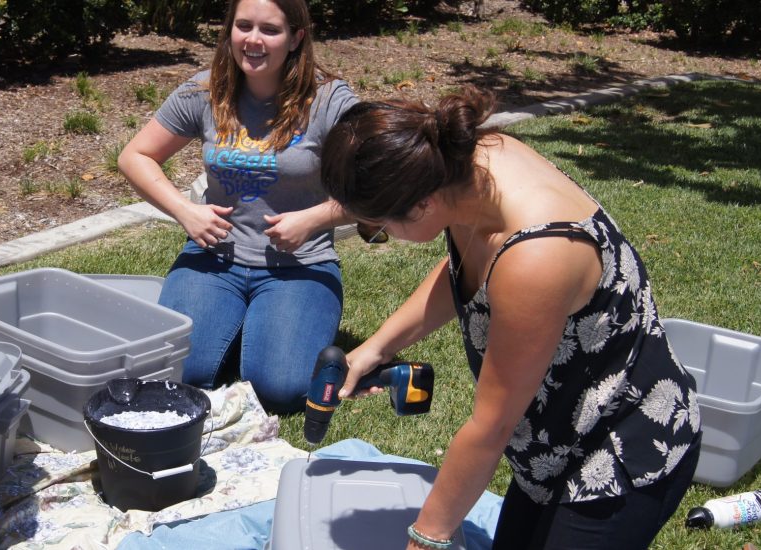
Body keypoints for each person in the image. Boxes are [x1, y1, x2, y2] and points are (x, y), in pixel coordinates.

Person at [320, 88, 701, 549]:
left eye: (376, 229)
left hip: (622, 453)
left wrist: (428, 535)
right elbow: (471, 267)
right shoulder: (462, 167)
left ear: (421, 204)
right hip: (553, 438)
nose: (382, 237)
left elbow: (491, 426)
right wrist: (379, 346)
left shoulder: (536, 257)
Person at [118, 0, 358, 413]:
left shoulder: (330, 100)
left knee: (281, 391)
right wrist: (184, 210)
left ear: (297, 37)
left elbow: (383, 182)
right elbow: (135, 156)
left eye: (270, 30)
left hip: (300, 265)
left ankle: (267, 332)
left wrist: (316, 218)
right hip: (213, 259)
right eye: (243, 26)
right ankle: (236, 328)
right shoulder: (204, 91)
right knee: (178, 377)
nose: (253, 40)